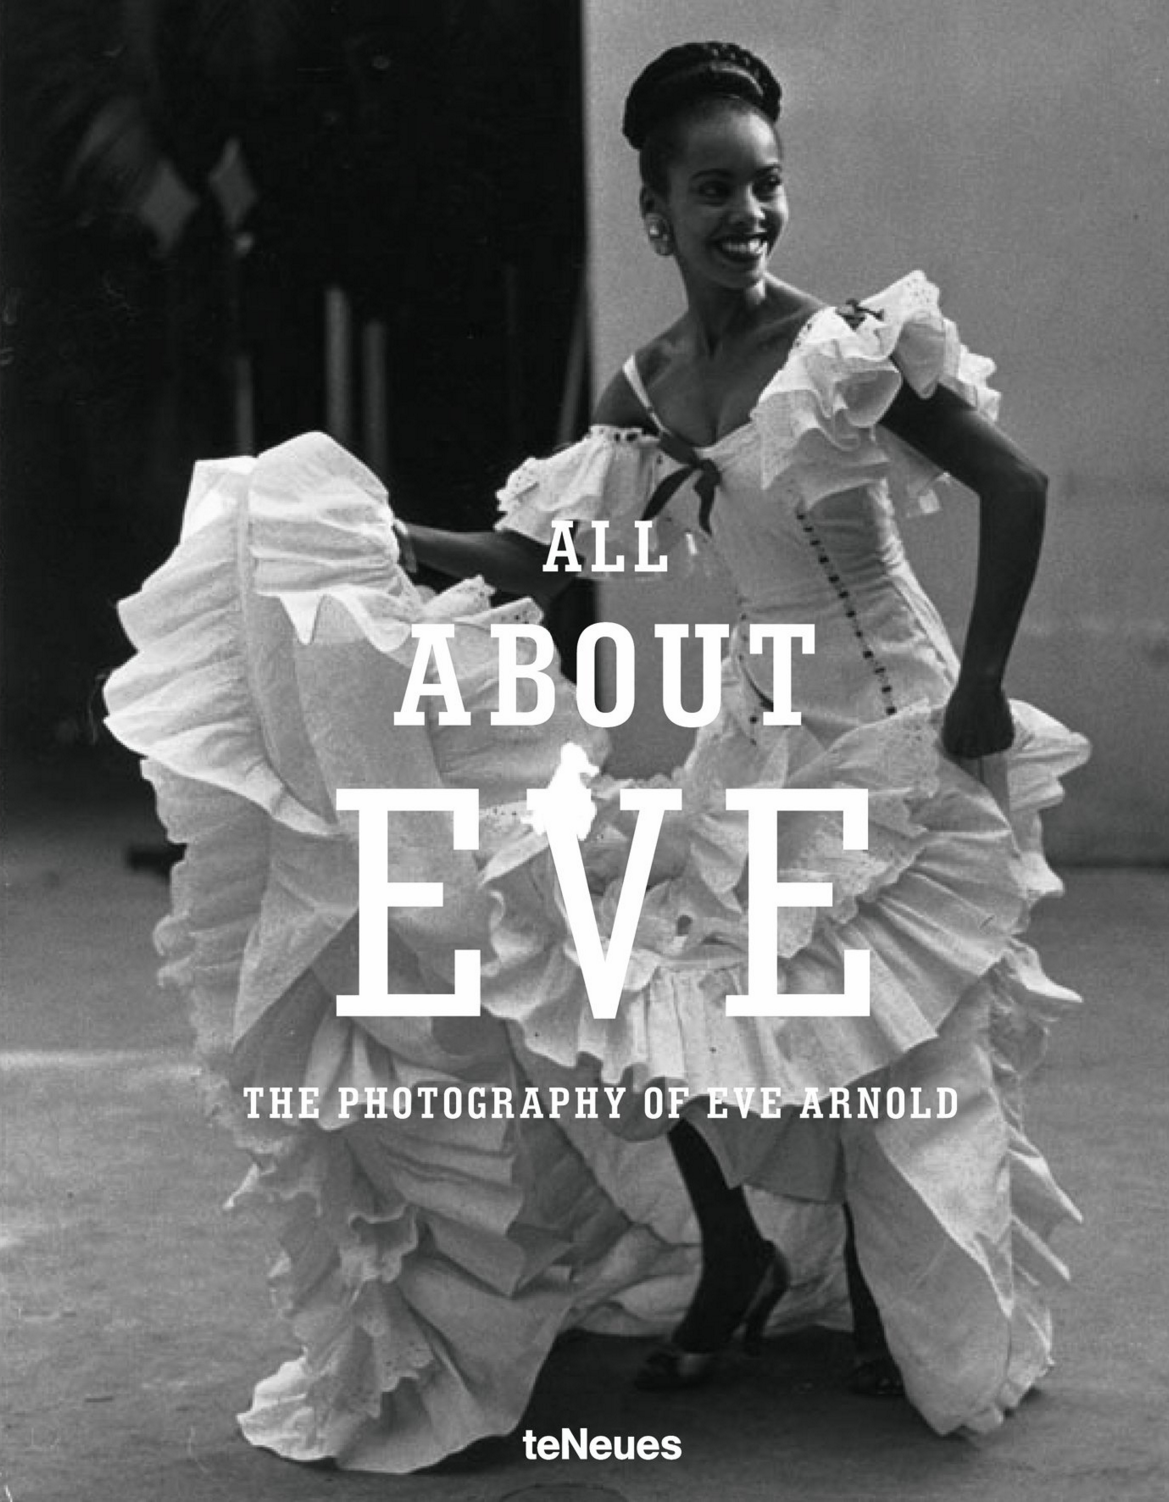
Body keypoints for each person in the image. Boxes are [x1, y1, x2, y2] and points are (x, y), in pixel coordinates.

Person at [106, 40, 1089, 1474]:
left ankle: (896, 1294)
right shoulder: (647, 386)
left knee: (891, 1029)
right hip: (759, 732)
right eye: (714, 190)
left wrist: (985, 682)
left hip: (897, 722)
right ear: (655, 212)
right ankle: (738, 1250)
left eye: (765, 185)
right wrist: (389, 539)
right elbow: (543, 559)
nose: (748, 214)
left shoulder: (848, 349)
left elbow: (1017, 483)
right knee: (630, 986)